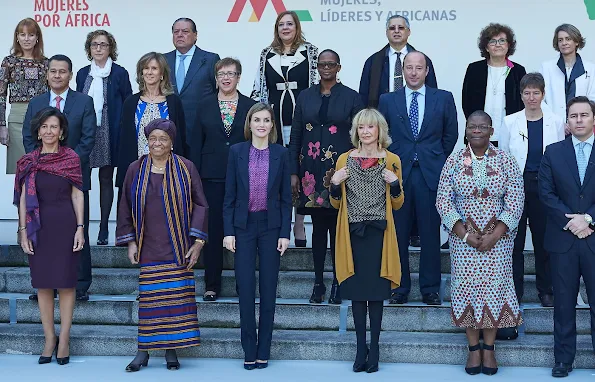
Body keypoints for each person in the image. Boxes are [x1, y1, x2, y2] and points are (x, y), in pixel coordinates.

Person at [436, 110, 524, 376]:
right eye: (472, 127)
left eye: (482, 127)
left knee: (494, 291)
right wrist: (464, 234)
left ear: (491, 131)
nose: (477, 130)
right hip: (464, 243)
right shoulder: (453, 161)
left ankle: (489, 348)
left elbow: (516, 200)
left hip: (499, 241)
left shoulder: (507, 161)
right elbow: (443, 201)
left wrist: (495, 234)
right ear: (466, 130)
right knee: (468, 290)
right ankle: (473, 349)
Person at [116, 118, 208, 372]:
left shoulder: (186, 167)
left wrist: (198, 243)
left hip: (178, 245)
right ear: (147, 141)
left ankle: (171, 350)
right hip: (148, 245)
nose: (157, 143)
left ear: (171, 143)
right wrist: (130, 242)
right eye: (153, 139)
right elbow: (124, 205)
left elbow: (201, 203)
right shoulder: (135, 168)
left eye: (163, 139)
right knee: (150, 301)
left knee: (175, 300)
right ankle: (142, 351)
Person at [378, 51, 458, 305]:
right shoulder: (388, 100)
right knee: (398, 233)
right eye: (409, 67)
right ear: (402, 71)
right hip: (397, 175)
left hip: (430, 175)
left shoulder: (443, 98)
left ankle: (430, 289)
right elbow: (382, 135)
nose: (413, 72)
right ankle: (399, 288)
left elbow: (450, 134)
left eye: (418, 68)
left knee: (430, 234)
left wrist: (434, 158)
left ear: (426, 71)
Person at [329, 108, 404, 373]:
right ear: (356, 131)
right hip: (352, 234)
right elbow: (336, 203)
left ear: (380, 130)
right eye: (361, 127)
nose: (366, 131)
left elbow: (397, 203)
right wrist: (334, 185)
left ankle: (375, 347)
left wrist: (395, 185)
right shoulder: (344, 160)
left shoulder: (392, 159)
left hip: (380, 234)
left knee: (377, 294)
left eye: (371, 127)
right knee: (358, 294)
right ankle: (360, 349)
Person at [289, 49, 363, 304]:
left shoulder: (352, 97)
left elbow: (358, 137)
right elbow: (296, 134)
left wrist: (355, 170)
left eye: (331, 64)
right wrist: (293, 172)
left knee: (339, 230)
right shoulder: (305, 96)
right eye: (322, 64)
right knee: (319, 230)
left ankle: (340, 282)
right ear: (317, 67)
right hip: (310, 171)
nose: (326, 68)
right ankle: (318, 282)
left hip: (340, 172)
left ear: (339, 67)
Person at [223, 103, 291, 370]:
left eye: (266, 120)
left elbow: (287, 199)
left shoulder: (281, 154)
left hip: (271, 227)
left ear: (272, 125)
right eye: (256, 120)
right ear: (249, 124)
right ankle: (248, 351)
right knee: (246, 289)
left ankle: (264, 350)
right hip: (243, 227)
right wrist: (228, 231)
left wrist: (285, 233)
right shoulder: (237, 152)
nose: (261, 124)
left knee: (268, 290)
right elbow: (229, 196)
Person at [22, 54, 96, 302]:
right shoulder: (36, 103)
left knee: (77, 225)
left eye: (62, 71)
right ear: (47, 74)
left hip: (73, 177)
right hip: (41, 180)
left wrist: (68, 164)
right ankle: (45, 283)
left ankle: (81, 284)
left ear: (70, 74)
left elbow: (88, 139)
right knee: (43, 231)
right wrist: (43, 165)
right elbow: (28, 137)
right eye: (53, 71)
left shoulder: (84, 101)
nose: (57, 75)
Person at [14, 107, 85, 365]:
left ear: (62, 131)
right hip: (38, 228)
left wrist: (80, 228)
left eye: (53, 126)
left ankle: (64, 339)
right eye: (44, 127)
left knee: (66, 283)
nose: (48, 131)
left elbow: (78, 194)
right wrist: (23, 231)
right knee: (43, 284)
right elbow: (23, 199)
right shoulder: (28, 161)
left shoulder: (71, 159)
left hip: (65, 224)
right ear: (38, 131)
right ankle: (49, 339)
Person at [538, 96, 595, 378]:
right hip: (563, 240)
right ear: (567, 122)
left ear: (593, 119)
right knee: (563, 303)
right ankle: (563, 360)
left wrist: (588, 219)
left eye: (584, 115)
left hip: (594, 237)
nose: (579, 120)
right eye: (574, 116)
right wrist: (573, 222)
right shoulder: (553, 152)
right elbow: (546, 194)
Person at [251, 10, 318, 247]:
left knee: (301, 171)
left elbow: (317, 84)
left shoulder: (310, 51)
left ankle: (299, 224)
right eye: (281, 24)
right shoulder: (267, 53)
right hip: (275, 123)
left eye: (290, 24)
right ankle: (280, 225)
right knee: (278, 173)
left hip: (303, 121)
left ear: (297, 27)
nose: (286, 28)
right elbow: (260, 86)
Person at [191, 57, 256, 301]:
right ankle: (212, 284)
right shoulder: (204, 105)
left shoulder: (252, 106)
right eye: (221, 74)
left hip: (245, 177)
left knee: (243, 230)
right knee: (214, 230)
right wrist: (194, 179)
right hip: (211, 176)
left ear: (239, 77)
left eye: (231, 73)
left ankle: (244, 284)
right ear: (216, 78)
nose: (226, 78)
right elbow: (196, 143)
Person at [500, 73, 565, 308]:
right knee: (514, 241)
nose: (531, 97)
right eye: (527, 93)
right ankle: (513, 291)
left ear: (543, 94)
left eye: (536, 93)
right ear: (521, 95)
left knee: (543, 239)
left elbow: (559, 156)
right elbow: (504, 157)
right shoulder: (510, 122)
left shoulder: (556, 121)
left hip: (545, 186)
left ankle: (545, 289)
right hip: (517, 185)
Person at [76, 29, 132, 245]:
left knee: (106, 179)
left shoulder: (119, 73)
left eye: (103, 44)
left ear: (111, 49)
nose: (98, 48)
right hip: (86, 131)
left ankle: (103, 228)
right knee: (83, 180)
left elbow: (127, 104)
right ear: (89, 49)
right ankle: (83, 226)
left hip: (110, 130)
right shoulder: (82, 73)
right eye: (94, 45)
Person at [116, 52, 188, 194]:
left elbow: (181, 137)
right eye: (146, 68)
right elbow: (124, 140)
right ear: (141, 73)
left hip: (167, 168)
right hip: (137, 167)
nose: (149, 72)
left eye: (154, 68)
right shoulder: (131, 102)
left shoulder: (173, 102)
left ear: (162, 74)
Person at [462, 23, 526, 146]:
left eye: (502, 41)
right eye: (493, 41)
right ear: (486, 47)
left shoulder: (518, 71)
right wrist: (476, 126)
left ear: (508, 45)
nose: (497, 45)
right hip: (479, 134)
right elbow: (466, 102)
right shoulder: (474, 69)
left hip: (510, 134)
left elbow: (522, 103)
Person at [0, 18, 48, 174]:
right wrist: (1, 126)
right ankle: (20, 200)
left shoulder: (46, 63)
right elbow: (1, 94)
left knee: (41, 170)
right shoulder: (9, 62)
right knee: (20, 171)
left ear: (37, 37)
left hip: (42, 121)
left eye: (31, 34)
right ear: (17, 37)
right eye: (22, 34)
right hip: (17, 121)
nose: (26, 39)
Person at [359, 15, 437, 108]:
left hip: (414, 114)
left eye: (401, 28)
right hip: (381, 116)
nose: (396, 31)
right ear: (386, 33)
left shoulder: (422, 60)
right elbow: (363, 97)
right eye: (392, 28)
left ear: (408, 32)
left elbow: (433, 94)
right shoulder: (373, 61)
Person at [165, 17, 219, 144]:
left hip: (200, 128)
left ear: (195, 35)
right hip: (169, 129)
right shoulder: (163, 60)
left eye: (185, 31)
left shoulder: (210, 59)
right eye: (176, 32)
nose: (179, 35)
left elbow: (218, 92)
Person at [541, 24, 595, 121]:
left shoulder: (590, 68)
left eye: (568, 39)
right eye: (560, 40)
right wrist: (557, 121)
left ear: (577, 42)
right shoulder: (546, 67)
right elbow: (540, 99)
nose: (564, 43)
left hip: (581, 124)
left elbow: (592, 98)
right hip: (553, 124)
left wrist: (579, 119)